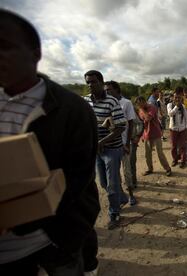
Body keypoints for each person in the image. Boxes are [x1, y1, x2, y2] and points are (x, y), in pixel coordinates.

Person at [0, 10, 100, 275]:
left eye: (5, 46)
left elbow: (77, 180)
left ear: (35, 53)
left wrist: (14, 219)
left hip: (54, 240)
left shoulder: (72, 109)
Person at [84, 70, 128, 231]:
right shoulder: (86, 101)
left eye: (93, 81)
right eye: (88, 82)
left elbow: (121, 126)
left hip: (112, 148)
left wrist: (102, 141)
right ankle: (122, 197)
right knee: (103, 182)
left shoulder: (112, 102)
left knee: (112, 183)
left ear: (101, 83)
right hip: (97, 150)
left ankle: (114, 214)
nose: (90, 85)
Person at [104, 81, 137, 206]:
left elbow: (131, 124)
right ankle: (122, 195)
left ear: (117, 90)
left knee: (127, 171)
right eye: (106, 90)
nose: (107, 92)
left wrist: (127, 144)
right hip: (111, 144)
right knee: (115, 173)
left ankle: (131, 195)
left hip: (123, 143)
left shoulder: (126, 103)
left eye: (109, 90)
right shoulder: (107, 103)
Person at [136, 97, 172, 176]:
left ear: (144, 101)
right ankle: (150, 169)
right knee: (147, 154)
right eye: (138, 104)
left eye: (141, 103)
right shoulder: (140, 110)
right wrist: (142, 135)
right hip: (147, 134)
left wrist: (143, 109)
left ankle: (167, 168)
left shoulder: (152, 107)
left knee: (160, 153)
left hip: (156, 133)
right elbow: (142, 123)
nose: (140, 105)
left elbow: (148, 118)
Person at [168, 89, 187, 168]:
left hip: (182, 129)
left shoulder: (183, 106)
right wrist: (176, 106)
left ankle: (183, 161)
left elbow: (186, 118)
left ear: (181, 98)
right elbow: (170, 114)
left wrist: (186, 127)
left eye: (179, 98)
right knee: (173, 146)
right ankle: (175, 159)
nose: (177, 99)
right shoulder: (170, 105)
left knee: (183, 146)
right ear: (173, 98)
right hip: (173, 129)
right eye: (175, 97)